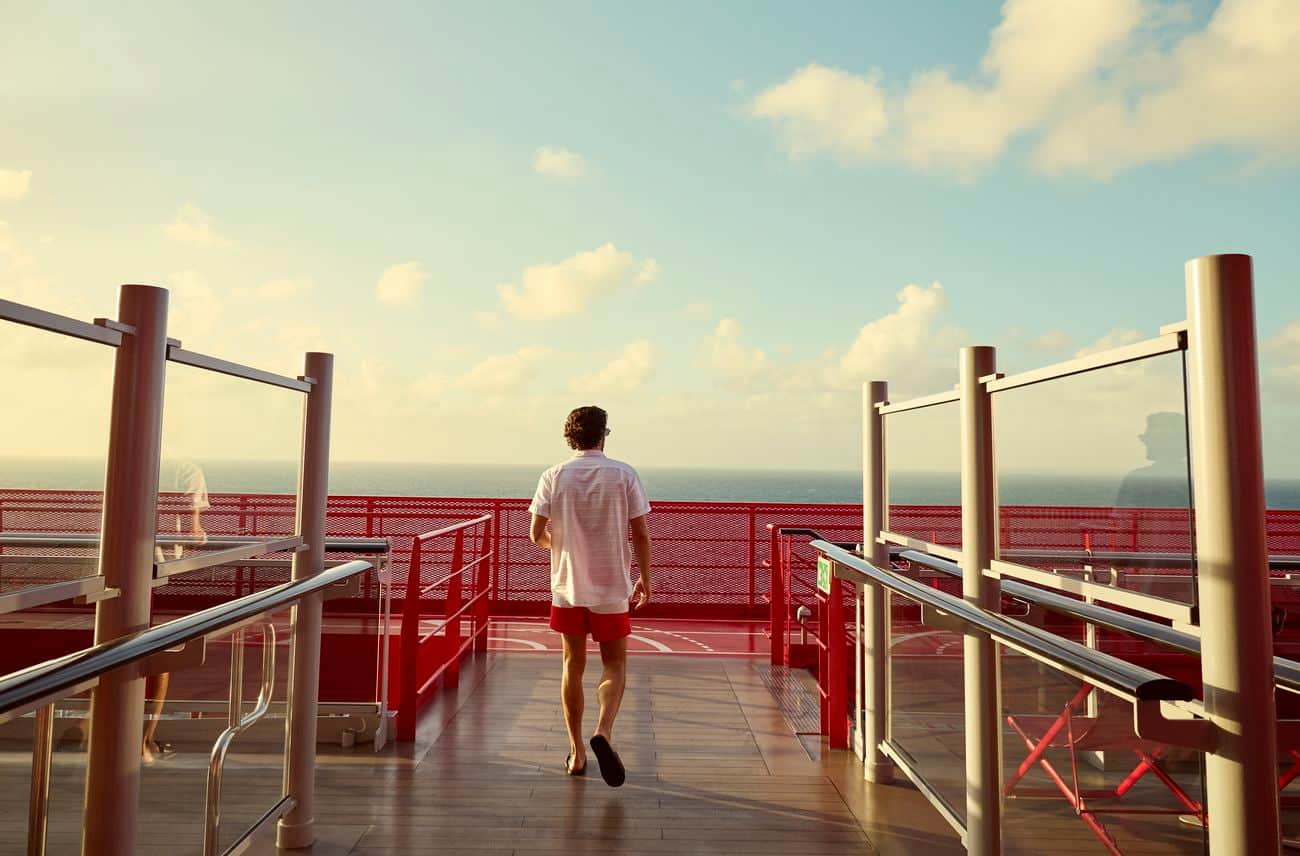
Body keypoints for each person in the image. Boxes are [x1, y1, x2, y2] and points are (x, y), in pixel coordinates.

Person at [528, 406, 652, 787]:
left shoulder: (554, 476)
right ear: (604, 434)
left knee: (572, 665)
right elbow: (641, 535)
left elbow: (536, 534)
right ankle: (604, 732)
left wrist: (563, 548)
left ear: (570, 437)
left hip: (567, 588)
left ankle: (577, 752)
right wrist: (645, 580)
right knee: (614, 664)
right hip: (612, 587)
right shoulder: (624, 474)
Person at [143, 458, 209, 763]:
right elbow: (192, 530)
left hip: (109, 568)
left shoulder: (127, 457)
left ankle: (102, 731)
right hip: (155, 568)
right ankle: (142, 741)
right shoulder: (186, 467)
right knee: (156, 657)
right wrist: (197, 533)